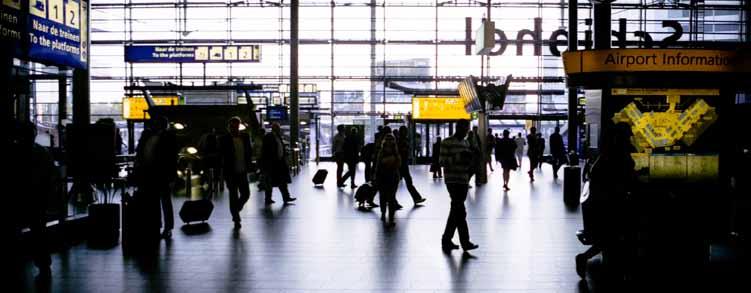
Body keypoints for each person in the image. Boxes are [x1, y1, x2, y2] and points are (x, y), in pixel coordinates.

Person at [576, 122, 637, 279]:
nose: (630, 138)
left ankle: (587, 259)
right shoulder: (618, 156)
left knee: (609, 237)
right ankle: (587, 259)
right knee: (612, 237)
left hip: (604, 203)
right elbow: (625, 177)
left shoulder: (604, 156)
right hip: (612, 203)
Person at [8, 121, 54, 282]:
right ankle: (43, 264)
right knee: (39, 232)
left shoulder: (13, 153)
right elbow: (49, 176)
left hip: (18, 198)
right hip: (36, 198)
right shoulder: (41, 152)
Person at [134, 116, 177, 239]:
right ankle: (157, 226)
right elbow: (139, 152)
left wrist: (171, 176)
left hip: (160, 173)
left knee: (164, 200)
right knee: (155, 201)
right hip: (148, 173)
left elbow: (172, 158)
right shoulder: (147, 135)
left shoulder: (167, 137)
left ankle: (167, 227)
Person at [440, 119, 479, 252]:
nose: (466, 131)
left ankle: (446, 239)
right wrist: (459, 156)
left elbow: (468, 163)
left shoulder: (466, 143)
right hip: (452, 180)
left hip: (463, 179)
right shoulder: (447, 142)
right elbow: (442, 162)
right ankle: (465, 242)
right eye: (464, 128)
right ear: (458, 128)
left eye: (467, 128)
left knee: (456, 211)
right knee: (460, 211)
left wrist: (470, 160)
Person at [219, 117, 253, 230]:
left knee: (246, 194)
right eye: (232, 126)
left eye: (236, 126)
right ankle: (236, 218)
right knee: (233, 195)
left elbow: (249, 151)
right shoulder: (224, 139)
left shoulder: (245, 137)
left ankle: (236, 209)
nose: (234, 128)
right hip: (230, 172)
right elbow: (221, 156)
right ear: (229, 127)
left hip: (242, 170)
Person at [261, 122, 297, 205]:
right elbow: (265, 151)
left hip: (279, 162)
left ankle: (285, 197)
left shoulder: (277, 137)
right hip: (273, 163)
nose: (279, 129)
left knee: (281, 181)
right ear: (275, 128)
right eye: (278, 128)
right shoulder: (269, 137)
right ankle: (270, 198)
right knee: (272, 182)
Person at [374, 134, 401, 227]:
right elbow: (378, 165)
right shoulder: (388, 152)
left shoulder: (390, 152)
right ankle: (384, 213)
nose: (389, 142)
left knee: (390, 197)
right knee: (385, 196)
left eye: (391, 140)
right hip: (385, 177)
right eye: (388, 140)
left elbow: (398, 164)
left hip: (390, 177)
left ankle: (390, 217)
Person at [398, 126, 427, 205]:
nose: (406, 133)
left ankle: (416, 198)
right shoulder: (400, 141)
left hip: (402, 164)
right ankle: (416, 198)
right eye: (405, 131)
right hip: (401, 164)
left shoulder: (402, 140)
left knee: (404, 183)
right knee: (407, 182)